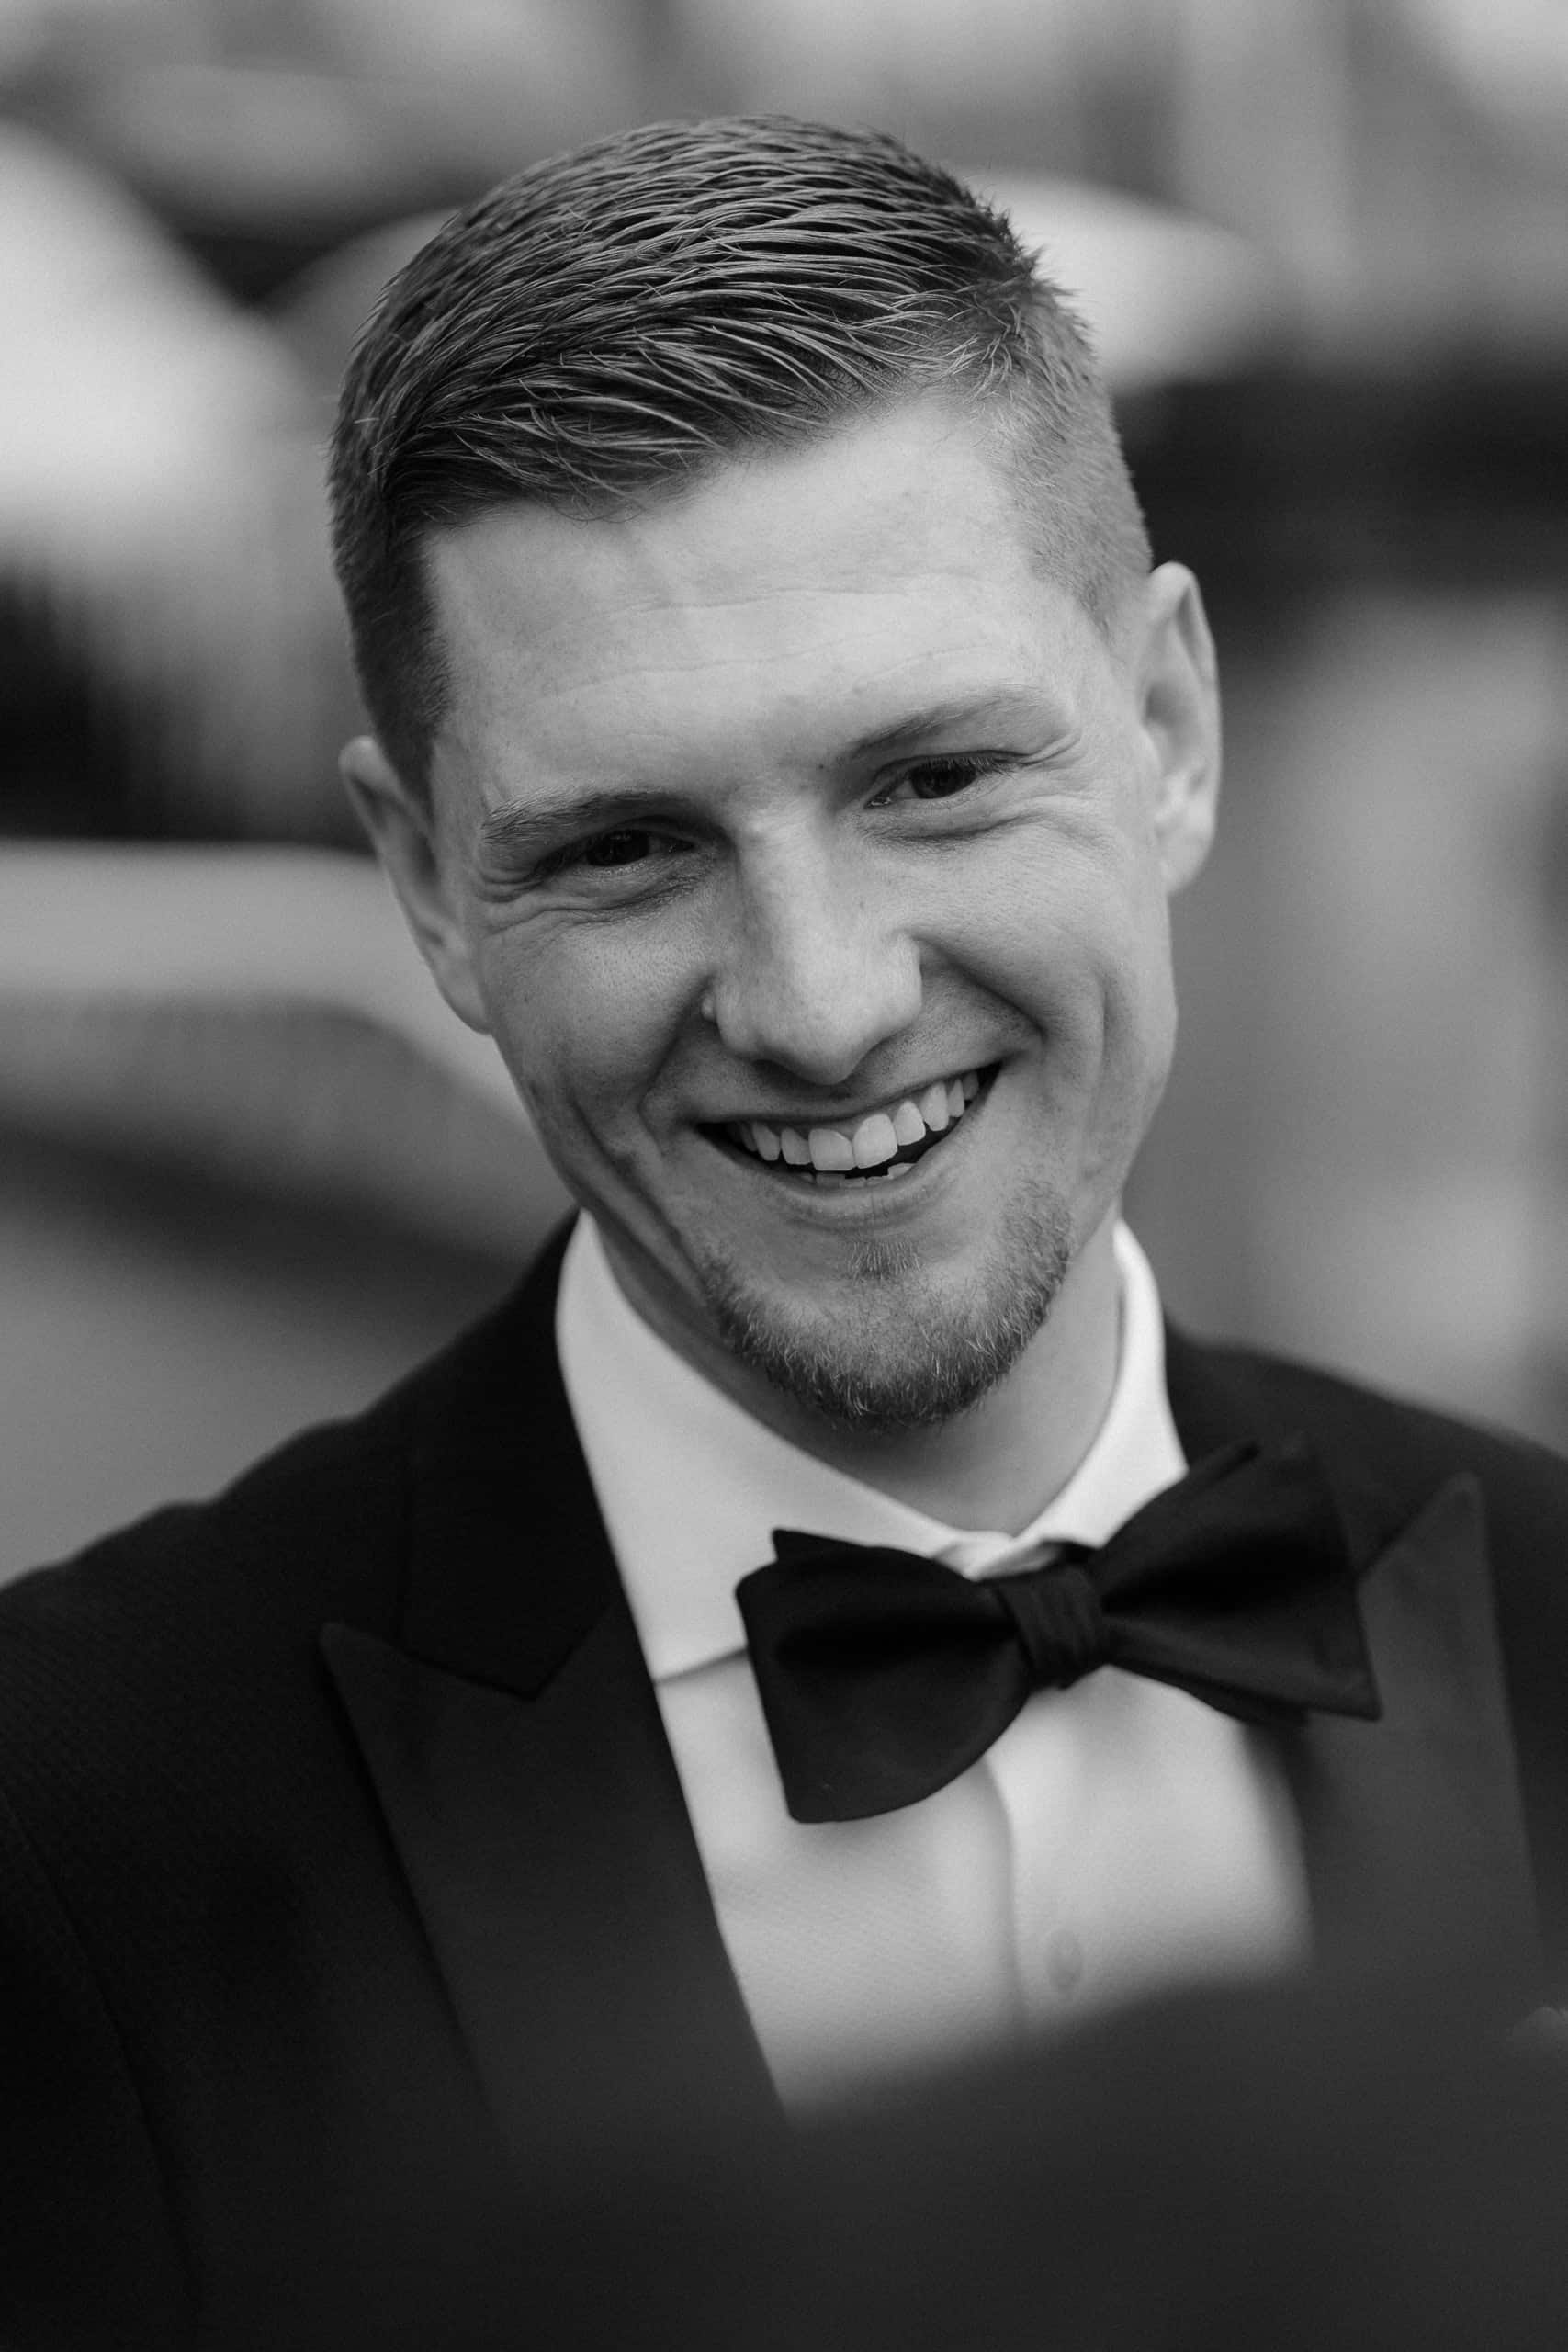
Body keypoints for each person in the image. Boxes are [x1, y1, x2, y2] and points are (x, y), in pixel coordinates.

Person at [4, 114, 1568, 2346]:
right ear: (428, 884)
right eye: (627, 846)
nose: (819, 1004)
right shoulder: (71, 1835)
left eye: (930, 777)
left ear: (1166, 726)